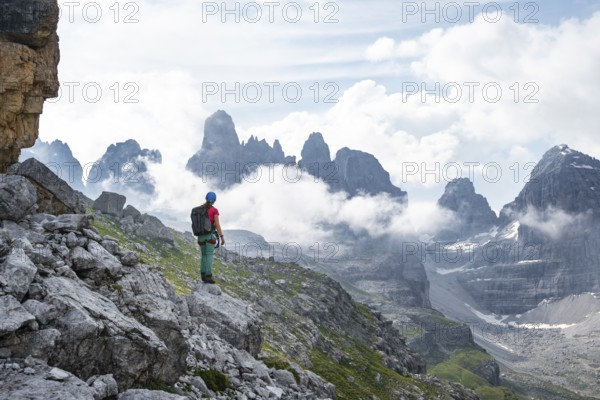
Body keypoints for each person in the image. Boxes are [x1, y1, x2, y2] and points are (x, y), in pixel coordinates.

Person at [197, 191, 224, 284]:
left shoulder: (199, 209)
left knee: (203, 255)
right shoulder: (214, 210)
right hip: (209, 236)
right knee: (209, 255)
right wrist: (221, 236)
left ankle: (203, 275)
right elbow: (217, 224)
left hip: (200, 237)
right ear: (214, 200)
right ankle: (208, 276)